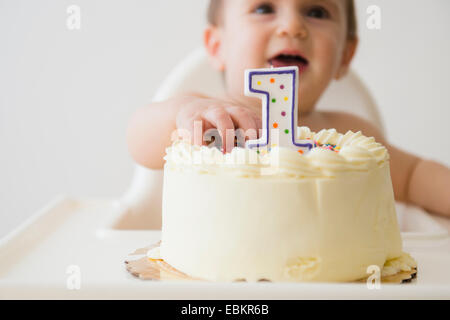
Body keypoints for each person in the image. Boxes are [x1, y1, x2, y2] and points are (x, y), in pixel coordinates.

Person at [126, 0, 450, 217]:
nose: (292, 27)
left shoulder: (351, 138)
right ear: (217, 46)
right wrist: (184, 111)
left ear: (345, 56)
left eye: (317, 12)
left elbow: (414, 177)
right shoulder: (208, 122)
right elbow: (140, 140)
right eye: (264, 8)